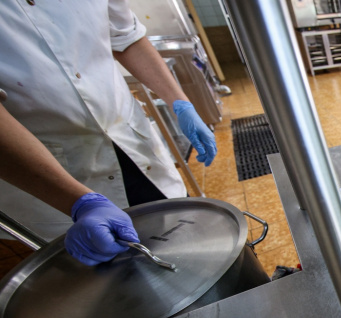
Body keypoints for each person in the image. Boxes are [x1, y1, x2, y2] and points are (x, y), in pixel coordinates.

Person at [0, 0, 217, 266]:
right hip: (47, 175)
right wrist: (79, 202)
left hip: (131, 144)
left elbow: (127, 38)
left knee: (188, 244)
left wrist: (181, 102)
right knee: (107, 272)